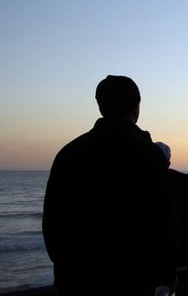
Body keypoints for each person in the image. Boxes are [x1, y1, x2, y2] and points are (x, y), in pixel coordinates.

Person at [42, 75, 174, 296]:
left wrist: (67, 269)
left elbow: (53, 223)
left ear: (100, 106)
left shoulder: (69, 154)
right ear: (137, 107)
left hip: (78, 278)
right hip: (135, 278)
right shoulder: (148, 156)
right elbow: (163, 221)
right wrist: (166, 275)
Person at [156, 142, 188, 296]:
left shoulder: (140, 187)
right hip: (183, 256)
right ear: (169, 162)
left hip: (155, 259)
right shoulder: (186, 187)